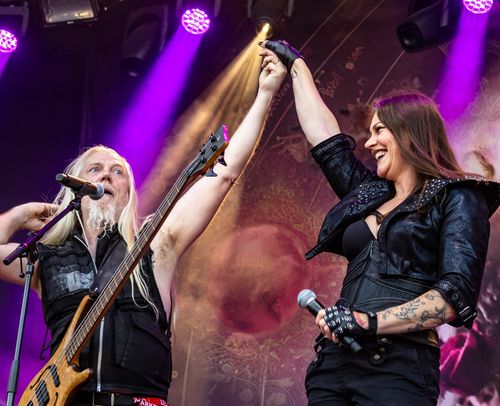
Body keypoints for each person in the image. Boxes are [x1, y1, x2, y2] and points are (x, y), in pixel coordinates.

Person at [0, 53, 286, 405]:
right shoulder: (46, 259)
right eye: (94, 169)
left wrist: (265, 93)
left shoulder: (154, 244)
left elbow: (223, 175)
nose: (106, 176)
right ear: (75, 186)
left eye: (118, 172)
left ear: (128, 194)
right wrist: (18, 216)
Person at [260, 40, 500, 405]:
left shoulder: (459, 196)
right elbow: (325, 140)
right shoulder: (369, 192)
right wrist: (297, 67)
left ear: (409, 132)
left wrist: (366, 322)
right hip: (335, 363)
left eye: (379, 131)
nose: (370, 143)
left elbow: (453, 296)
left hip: (399, 366)